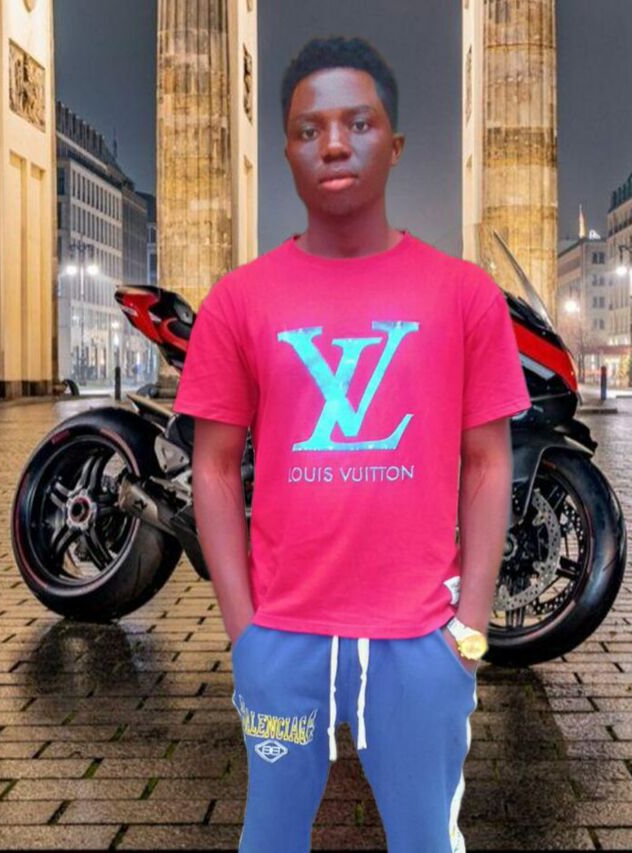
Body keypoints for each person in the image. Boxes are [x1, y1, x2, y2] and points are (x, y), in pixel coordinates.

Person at [172, 35, 532, 853]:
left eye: (358, 123)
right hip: (283, 637)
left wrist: (471, 633)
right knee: (271, 836)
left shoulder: (465, 295)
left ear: (394, 143)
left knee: (425, 839)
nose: (334, 144)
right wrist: (244, 633)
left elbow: (487, 462)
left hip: (420, 639)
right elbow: (214, 468)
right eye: (309, 130)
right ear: (285, 151)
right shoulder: (237, 301)